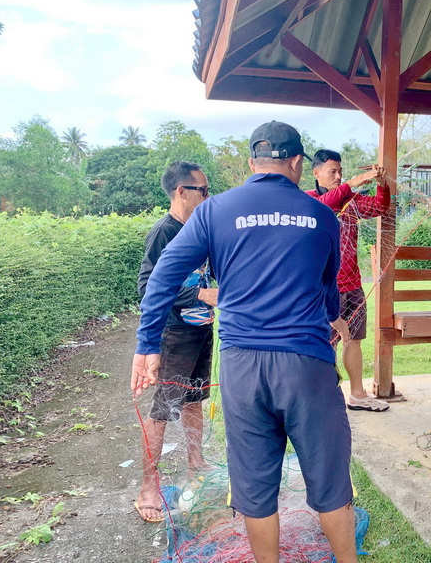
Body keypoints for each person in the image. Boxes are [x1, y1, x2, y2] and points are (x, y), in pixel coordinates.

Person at [131, 121, 357, 563]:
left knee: (255, 488)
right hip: (306, 366)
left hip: (241, 368)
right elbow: (328, 290)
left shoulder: (215, 210)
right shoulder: (323, 216)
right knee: (330, 484)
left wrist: (147, 345)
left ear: (253, 163)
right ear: (296, 162)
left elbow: (161, 276)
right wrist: (334, 318)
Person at [134, 161, 218, 523]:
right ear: (182, 191)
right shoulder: (164, 232)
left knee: (195, 399)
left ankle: (196, 462)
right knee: (162, 410)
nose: (208, 196)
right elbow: (148, 287)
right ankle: (148, 488)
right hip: (174, 335)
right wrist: (201, 294)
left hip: (201, 331)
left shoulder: (200, 230)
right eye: (203, 190)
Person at [307, 149, 390, 412]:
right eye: (333, 171)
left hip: (352, 285)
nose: (338, 176)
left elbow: (379, 206)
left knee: (353, 339)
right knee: (324, 342)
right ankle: (322, 399)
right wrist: (350, 183)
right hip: (323, 289)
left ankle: (357, 394)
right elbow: (323, 206)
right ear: (316, 172)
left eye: (340, 171)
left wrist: (382, 183)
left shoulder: (351, 201)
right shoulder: (307, 200)